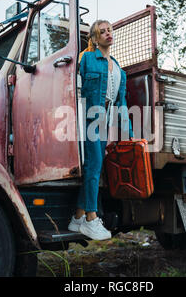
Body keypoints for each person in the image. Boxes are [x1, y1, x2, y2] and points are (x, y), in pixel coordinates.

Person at [68, 20, 133, 240]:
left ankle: (77, 217)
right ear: (95, 39)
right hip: (90, 115)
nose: (107, 34)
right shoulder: (86, 58)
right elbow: (76, 89)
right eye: (102, 32)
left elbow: (121, 101)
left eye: (109, 30)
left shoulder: (119, 70)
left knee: (94, 167)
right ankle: (90, 219)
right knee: (94, 166)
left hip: (106, 118)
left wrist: (128, 132)